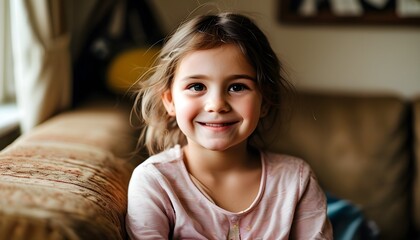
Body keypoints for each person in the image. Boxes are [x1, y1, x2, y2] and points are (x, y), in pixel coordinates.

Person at [126, 12, 333, 239]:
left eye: (237, 87)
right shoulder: (154, 182)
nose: (217, 105)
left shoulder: (296, 180)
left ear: (265, 101)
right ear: (170, 101)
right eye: (196, 86)